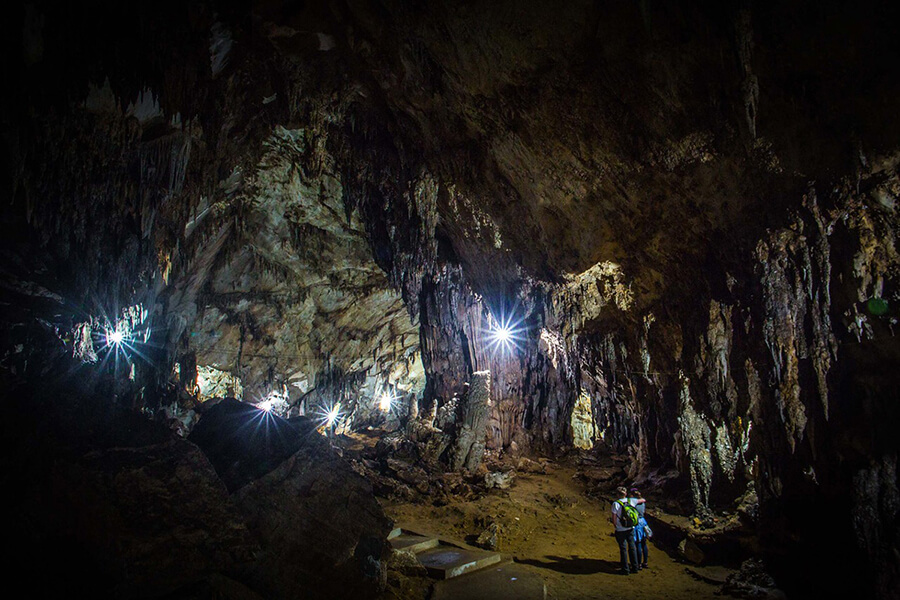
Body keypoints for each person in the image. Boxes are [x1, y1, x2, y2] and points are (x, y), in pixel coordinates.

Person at [611, 486, 640, 575]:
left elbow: (614, 518)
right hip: (631, 528)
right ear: (626, 494)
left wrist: (616, 526)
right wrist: (638, 495)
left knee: (623, 549)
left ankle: (625, 569)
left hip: (621, 529)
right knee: (632, 547)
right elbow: (642, 500)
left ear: (617, 494)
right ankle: (635, 567)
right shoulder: (632, 501)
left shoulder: (616, 504)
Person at [630, 487, 649, 570]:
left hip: (637, 523)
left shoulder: (634, 502)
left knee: (638, 543)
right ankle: (645, 562)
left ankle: (639, 564)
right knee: (644, 543)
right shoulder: (642, 502)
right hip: (643, 522)